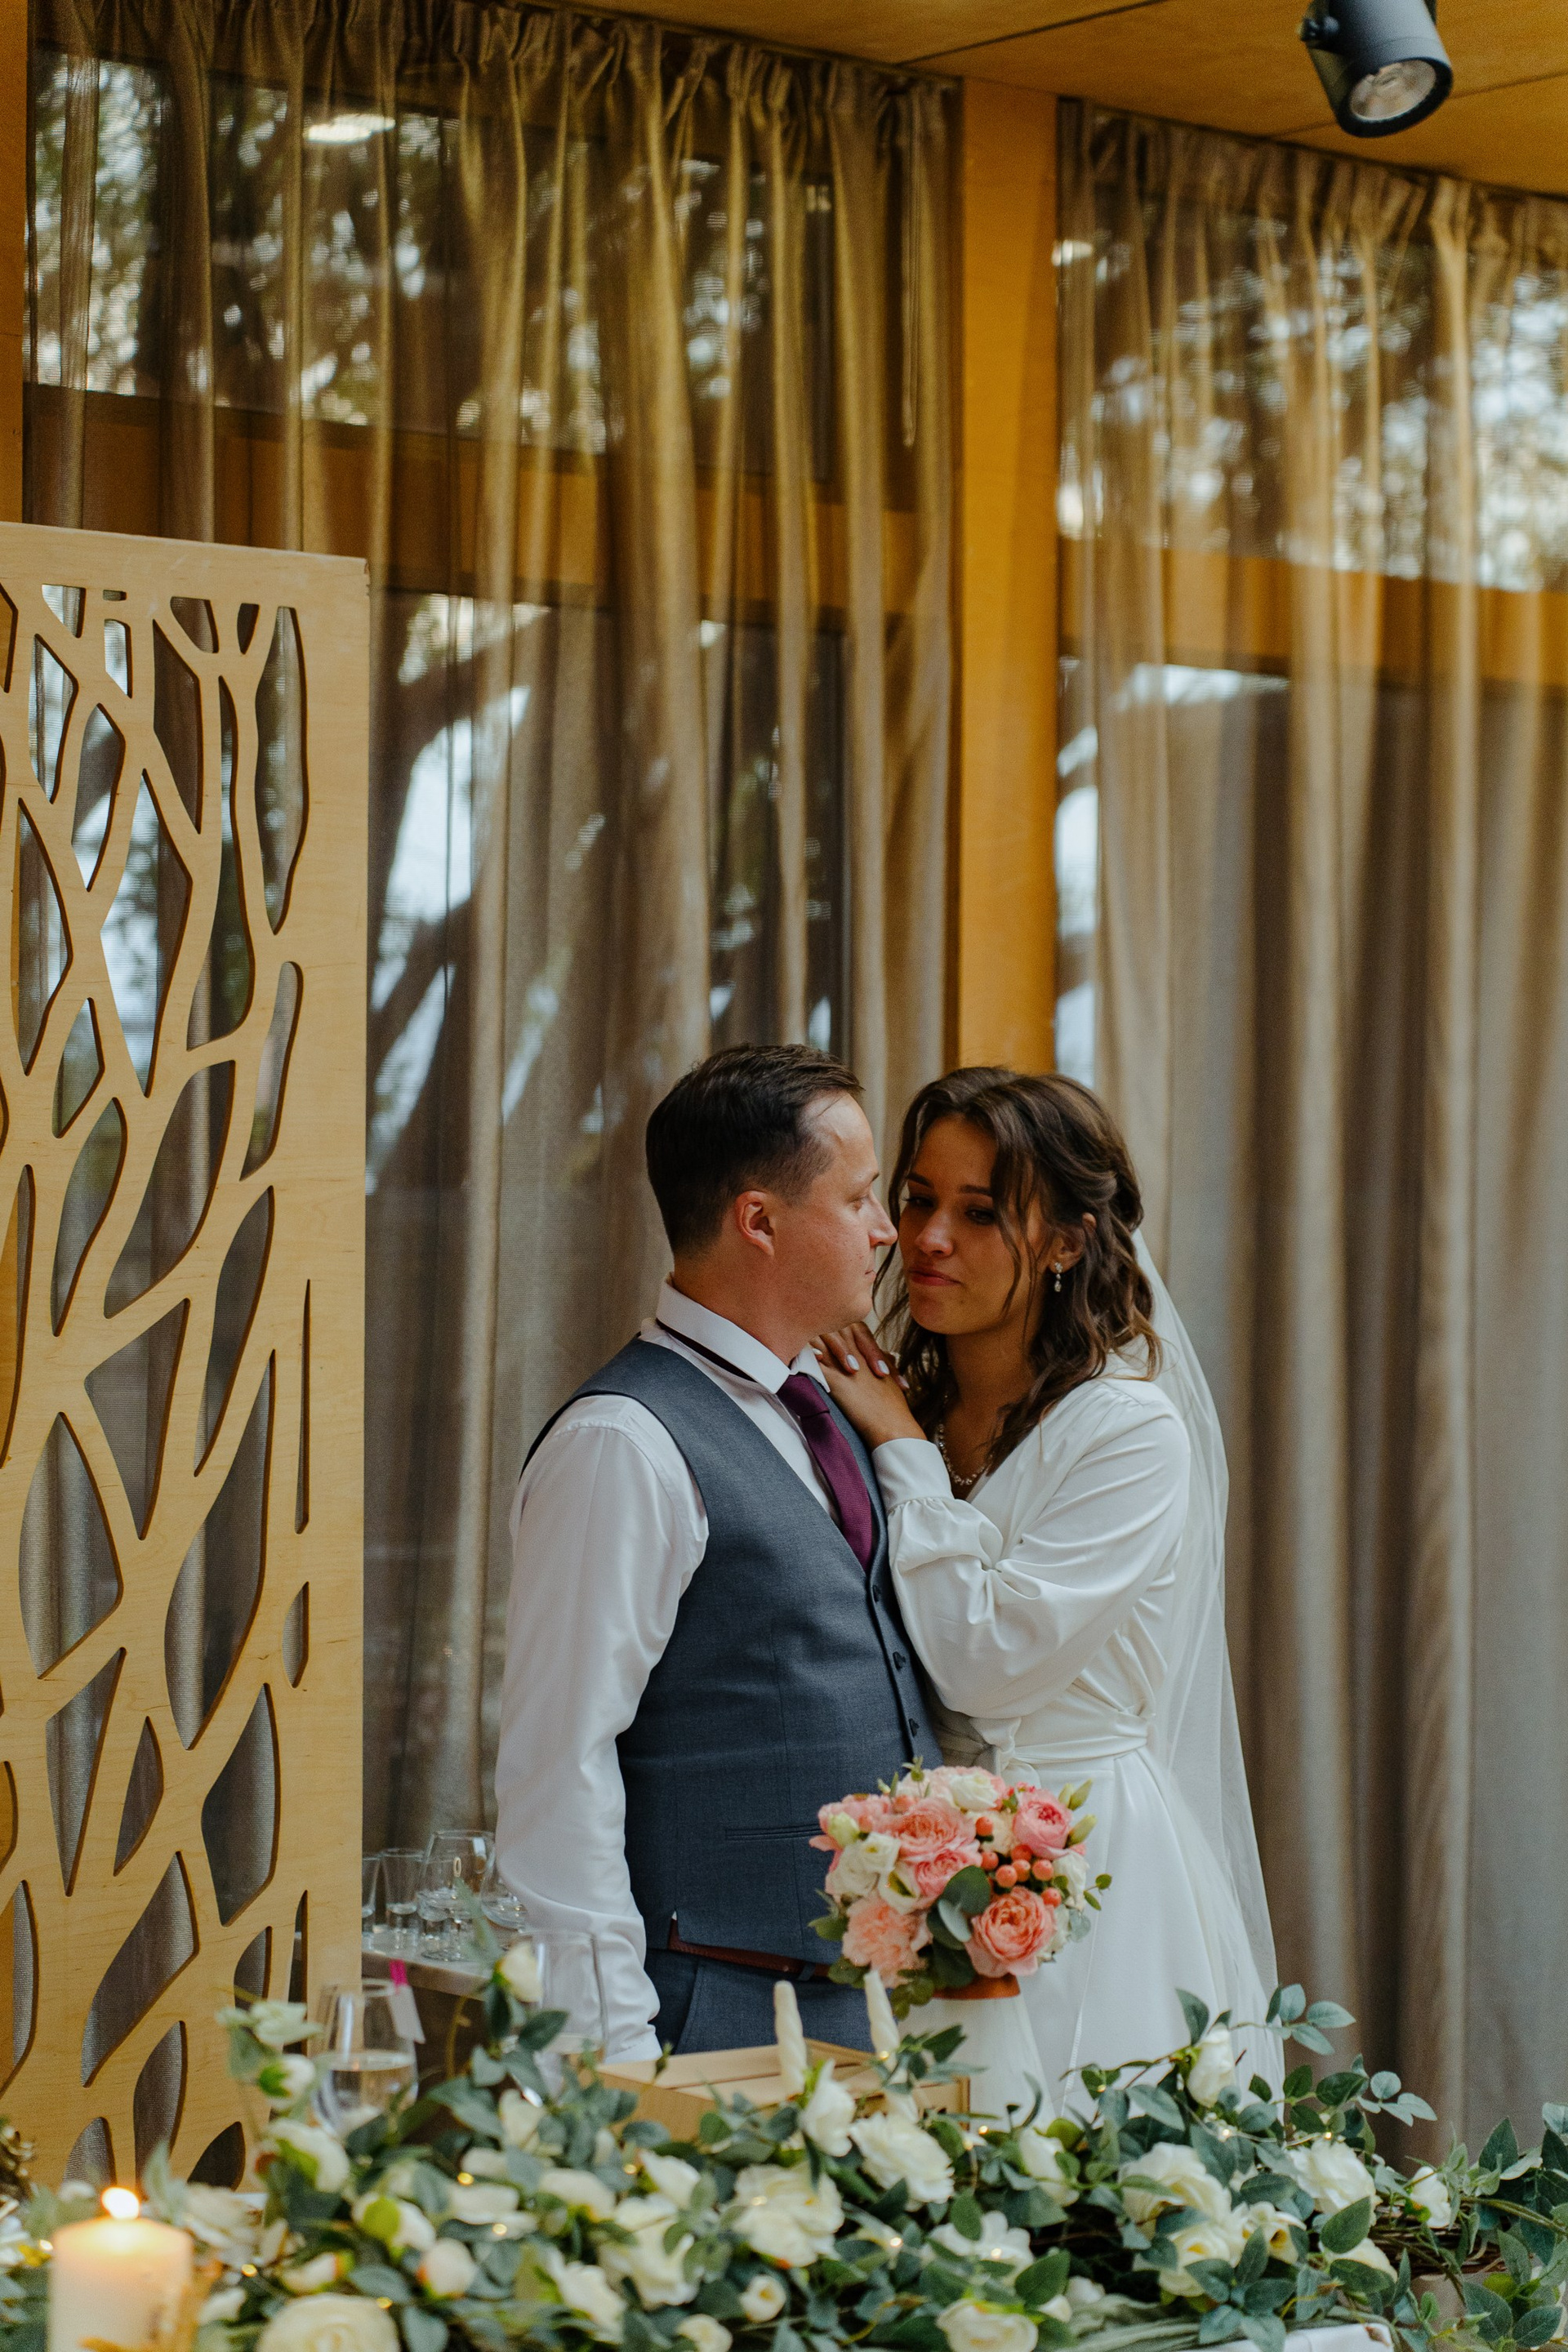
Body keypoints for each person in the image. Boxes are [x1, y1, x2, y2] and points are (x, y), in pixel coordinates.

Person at [816, 1067, 1279, 2109]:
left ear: (1068, 1242)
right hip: (923, 1866)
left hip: (1091, 1861)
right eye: (918, 1199)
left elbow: (986, 1666)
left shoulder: (1127, 1432)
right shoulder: (893, 1402)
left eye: (981, 1213)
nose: (930, 1238)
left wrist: (903, 1453)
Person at [495, 1044, 941, 2060]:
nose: (886, 1231)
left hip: (863, 2019)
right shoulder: (621, 1444)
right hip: (709, 2025)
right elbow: (559, 1768)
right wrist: (613, 2056)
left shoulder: (826, 1406)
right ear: (759, 1221)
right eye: (860, 1198)